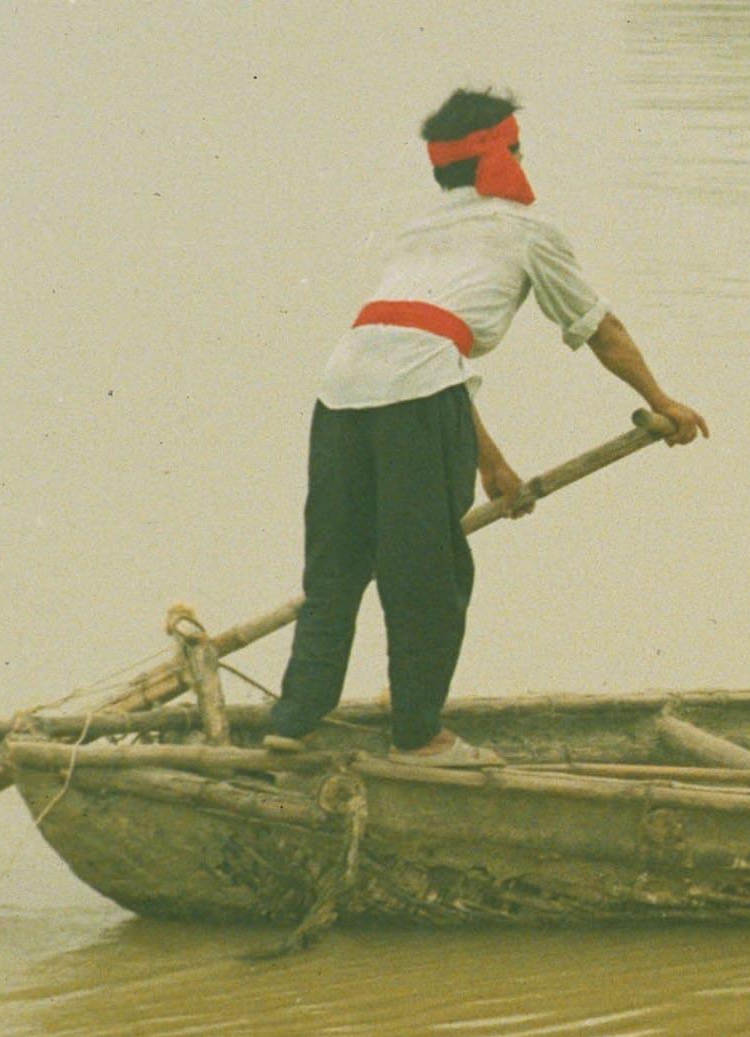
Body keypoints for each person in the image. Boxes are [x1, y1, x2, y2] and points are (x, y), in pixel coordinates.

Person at [262, 87, 708, 765]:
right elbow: (599, 330)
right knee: (428, 575)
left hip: (340, 392)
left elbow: (425, 348)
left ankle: (293, 720)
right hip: (416, 395)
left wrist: (488, 463)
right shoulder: (529, 229)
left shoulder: (417, 231)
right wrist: (663, 399)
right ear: (507, 155)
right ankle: (417, 735)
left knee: (338, 568)